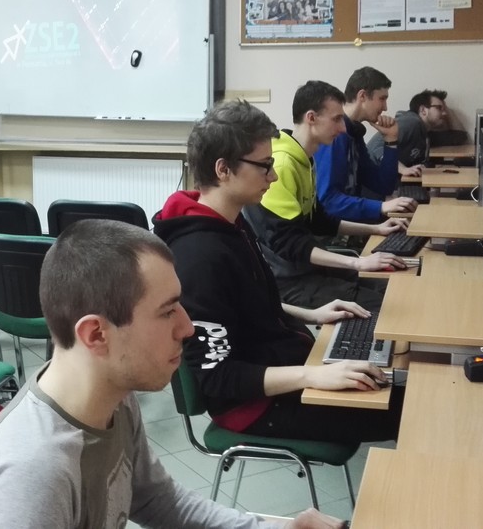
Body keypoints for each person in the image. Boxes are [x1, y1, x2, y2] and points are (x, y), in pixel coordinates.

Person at [0, 219, 345, 529]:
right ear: (96, 334)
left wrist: (273, 528)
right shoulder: (32, 478)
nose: (187, 328)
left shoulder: (112, 396)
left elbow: (159, 501)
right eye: (167, 311)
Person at [154, 100, 403, 448]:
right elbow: (218, 378)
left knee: (405, 381)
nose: (272, 176)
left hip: (285, 368)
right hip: (253, 405)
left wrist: (312, 314)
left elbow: (245, 304)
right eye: (264, 166)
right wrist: (312, 376)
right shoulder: (198, 257)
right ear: (223, 170)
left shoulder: (231, 222)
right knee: (409, 406)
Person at [242, 83, 407, 312]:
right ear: (311, 118)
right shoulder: (283, 164)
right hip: (288, 282)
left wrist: (376, 229)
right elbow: (290, 244)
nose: (343, 128)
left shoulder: (304, 158)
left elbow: (319, 221)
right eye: (336, 119)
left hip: (307, 269)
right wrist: (358, 262)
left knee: (393, 286)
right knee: (387, 307)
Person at [313, 67, 415, 223]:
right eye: (382, 99)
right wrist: (381, 207)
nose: (385, 107)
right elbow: (328, 201)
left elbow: (383, 185)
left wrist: (391, 141)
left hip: (351, 224)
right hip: (334, 229)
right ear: (362, 96)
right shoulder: (335, 135)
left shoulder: (354, 133)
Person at [366, 89, 449, 176]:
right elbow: (376, 147)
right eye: (439, 108)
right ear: (423, 110)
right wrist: (403, 169)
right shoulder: (411, 123)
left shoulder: (424, 133)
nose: (445, 113)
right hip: (370, 177)